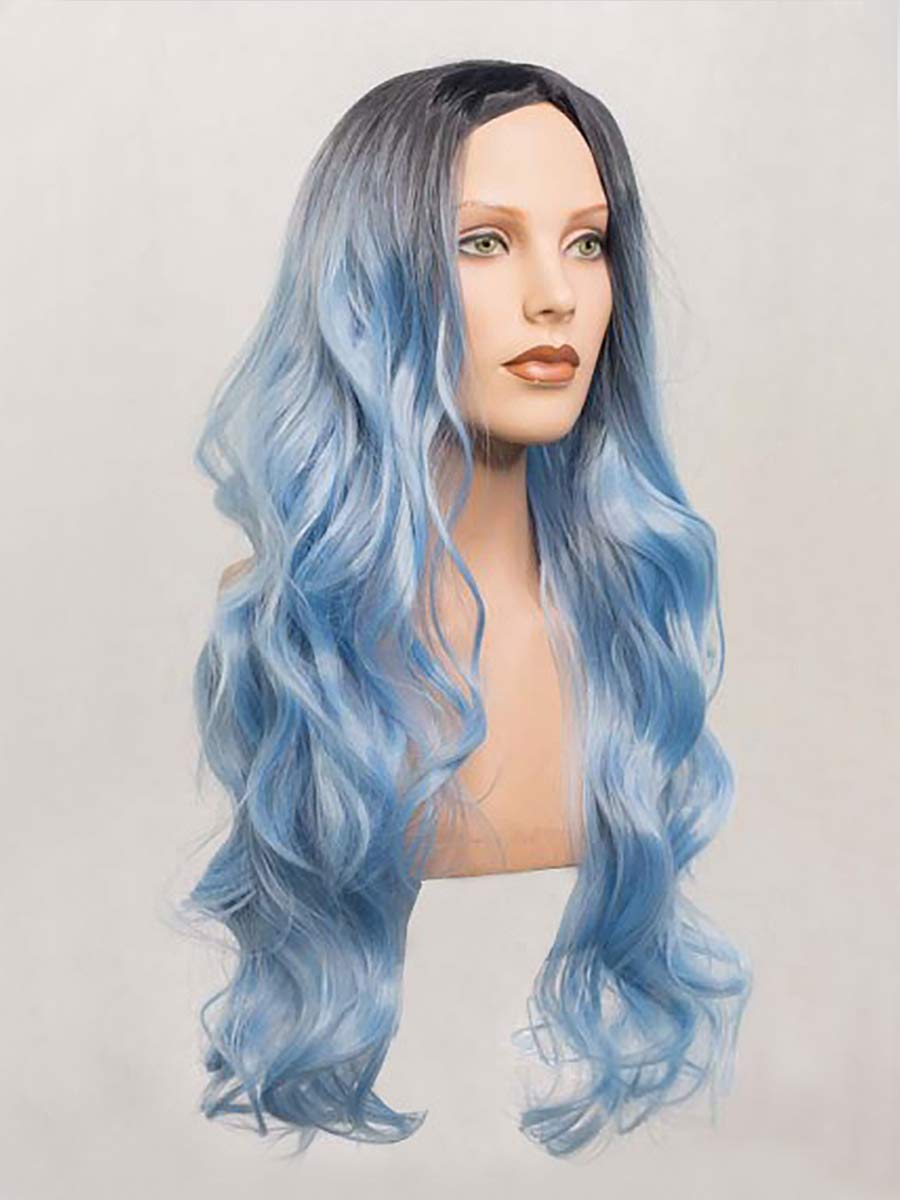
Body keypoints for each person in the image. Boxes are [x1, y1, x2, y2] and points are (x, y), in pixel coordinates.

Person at [187, 58, 752, 1159]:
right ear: (371, 281)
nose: (557, 296)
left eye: (587, 243)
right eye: (485, 241)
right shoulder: (288, 634)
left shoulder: (638, 621)